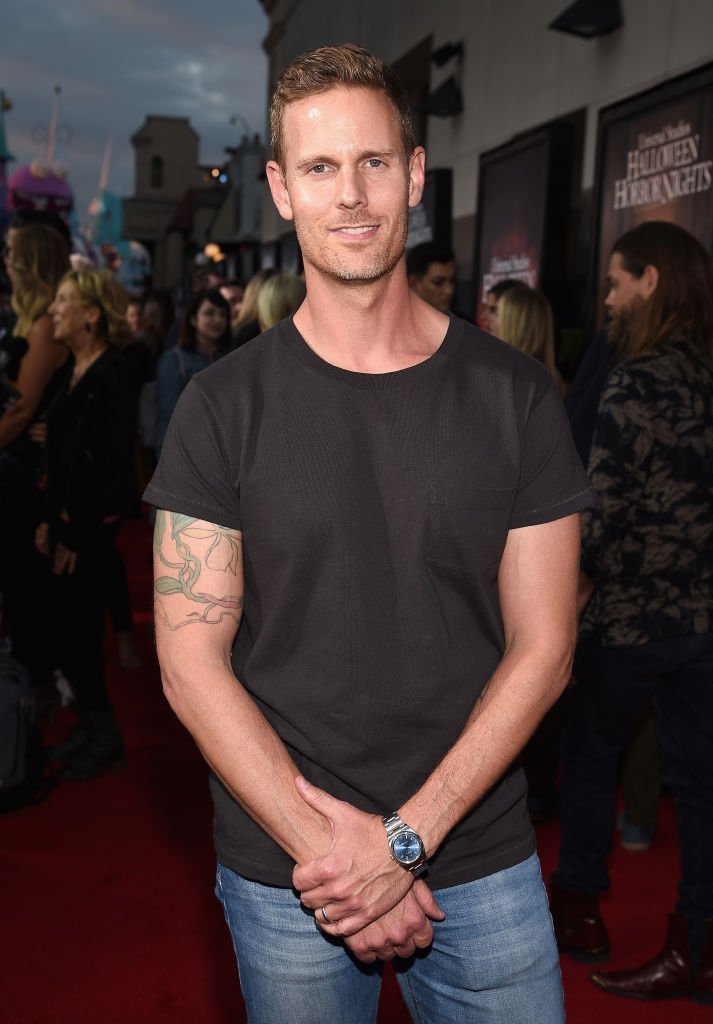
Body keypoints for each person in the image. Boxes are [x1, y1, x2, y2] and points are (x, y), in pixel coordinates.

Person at [146, 43, 591, 1023]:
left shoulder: (513, 396)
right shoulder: (219, 409)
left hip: (476, 848)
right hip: (287, 864)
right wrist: (328, 850)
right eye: (318, 168)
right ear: (280, 188)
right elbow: (189, 664)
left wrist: (401, 842)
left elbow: (545, 646)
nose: (349, 195)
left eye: (372, 163)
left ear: (416, 174)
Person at [550, 221, 713, 1006]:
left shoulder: (633, 380)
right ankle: (699, 950)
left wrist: (566, 602)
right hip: (705, 622)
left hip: (627, 620)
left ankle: (579, 913)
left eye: (615, 283)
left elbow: (599, 514)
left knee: (589, 762)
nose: (607, 300)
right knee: (704, 786)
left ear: (649, 281)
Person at [37, 268, 136, 779]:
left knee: (78, 632)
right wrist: (50, 519)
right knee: (67, 632)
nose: (53, 310)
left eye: (63, 300)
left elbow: (108, 465)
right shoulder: (70, 370)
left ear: (92, 314)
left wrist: (75, 532)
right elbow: (65, 454)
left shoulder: (112, 374)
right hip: (66, 524)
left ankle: (105, 735)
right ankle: (92, 728)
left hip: (90, 530)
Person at [0, 224, 70, 694]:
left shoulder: (45, 323)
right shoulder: (27, 319)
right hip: (19, 464)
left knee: (26, 589)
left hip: (25, 475)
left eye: (10, 252)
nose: (5, 258)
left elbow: (21, 408)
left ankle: (36, 691)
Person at [155, 287, 230, 453]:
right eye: (209, 313)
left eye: (223, 315)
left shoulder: (231, 357)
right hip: (188, 450)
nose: (217, 320)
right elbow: (168, 414)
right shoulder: (174, 360)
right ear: (193, 319)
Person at [498, 285, 565, 398]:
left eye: (497, 313)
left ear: (515, 325)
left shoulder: (521, 380)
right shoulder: (546, 376)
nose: (485, 318)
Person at [229, 268, 277, 349]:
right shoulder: (250, 334)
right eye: (233, 301)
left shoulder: (240, 330)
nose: (239, 306)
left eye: (241, 299)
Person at [406, 242, 455, 313]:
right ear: (413, 283)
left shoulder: (463, 322)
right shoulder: (395, 321)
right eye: (438, 282)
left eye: (452, 281)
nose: (449, 290)